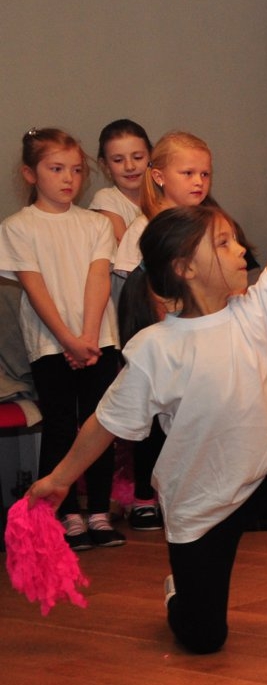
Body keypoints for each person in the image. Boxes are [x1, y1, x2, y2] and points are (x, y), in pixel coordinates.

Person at [26, 186, 267, 663]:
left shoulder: (255, 312)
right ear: (185, 269)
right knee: (205, 639)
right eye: (223, 243)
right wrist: (59, 479)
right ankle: (181, 592)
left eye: (235, 240)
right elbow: (104, 423)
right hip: (202, 505)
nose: (241, 250)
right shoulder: (155, 348)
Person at [0, 128, 123, 550]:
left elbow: (99, 278)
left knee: (100, 424)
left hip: (98, 339)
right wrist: (68, 340)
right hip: (51, 345)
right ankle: (66, 515)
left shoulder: (95, 224)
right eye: (56, 169)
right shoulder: (18, 227)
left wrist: (87, 336)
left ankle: (100, 512)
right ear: (30, 173)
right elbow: (35, 288)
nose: (68, 178)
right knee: (61, 426)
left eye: (75, 170)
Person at [112, 131, 215, 533]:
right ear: (158, 176)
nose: (198, 182)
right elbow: (139, 286)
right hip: (159, 330)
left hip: (199, 334)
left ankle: (197, 493)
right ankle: (144, 495)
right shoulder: (146, 227)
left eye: (205, 173)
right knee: (156, 415)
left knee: (195, 417)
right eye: (188, 173)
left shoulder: (208, 223)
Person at [88, 119, 152, 243]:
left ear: (151, 157)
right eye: (118, 160)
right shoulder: (106, 199)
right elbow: (125, 249)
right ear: (105, 165)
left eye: (138, 157)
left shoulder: (164, 194)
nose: (130, 166)